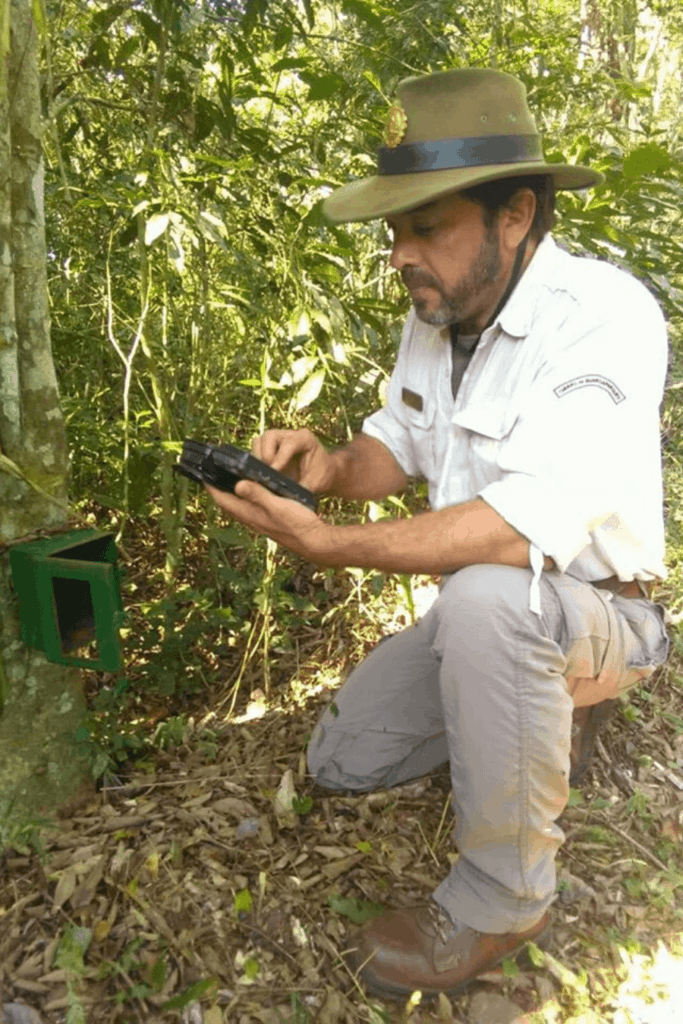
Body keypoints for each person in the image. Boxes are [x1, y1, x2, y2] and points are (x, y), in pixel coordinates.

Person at [206, 68, 670, 999]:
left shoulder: (602, 318)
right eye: (393, 231)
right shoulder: (438, 317)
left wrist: (332, 544)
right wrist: (330, 469)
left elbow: (517, 531)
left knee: (493, 597)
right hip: (482, 620)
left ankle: (505, 900)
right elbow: (399, 439)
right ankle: (527, 711)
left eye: (425, 226)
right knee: (344, 758)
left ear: (515, 215)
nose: (399, 254)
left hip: (595, 616)